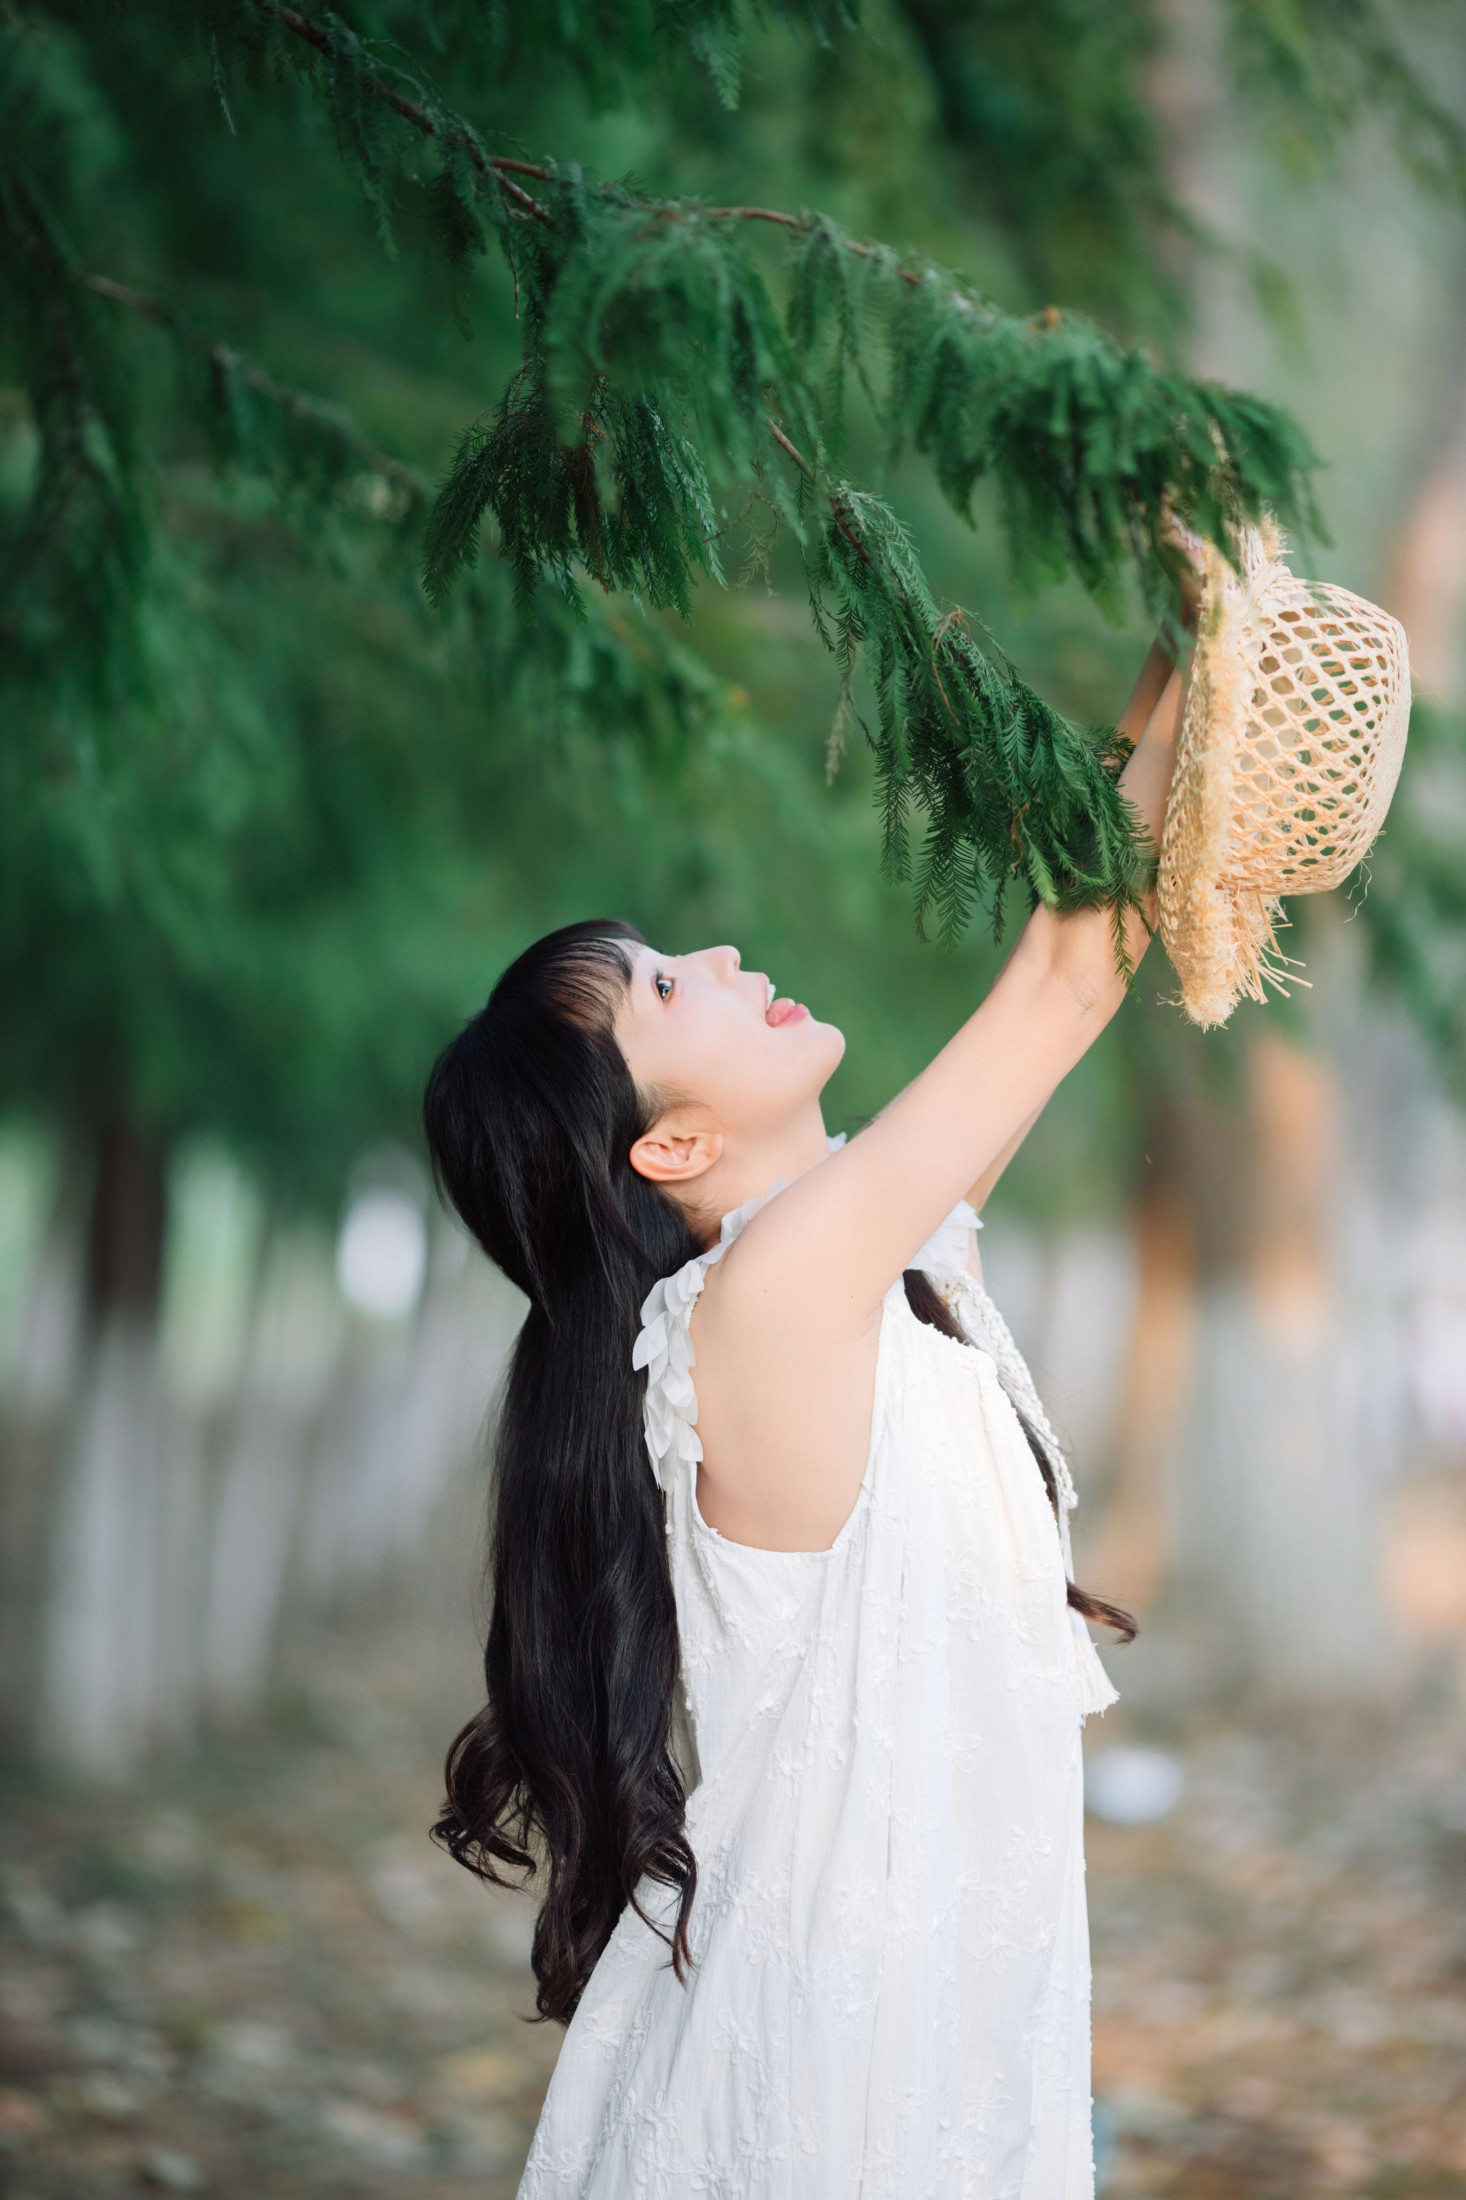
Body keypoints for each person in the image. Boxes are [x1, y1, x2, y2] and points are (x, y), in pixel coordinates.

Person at [422, 589, 1198, 2198]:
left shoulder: (846, 1266)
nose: (711, 954)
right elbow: (1051, 989)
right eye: (658, 990)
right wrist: (1196, 653)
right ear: (672, 1148)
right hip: (844, 2043)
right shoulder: (764, 1304)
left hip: (937, 1991)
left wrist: (1186, 673)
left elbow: (1079, 980)